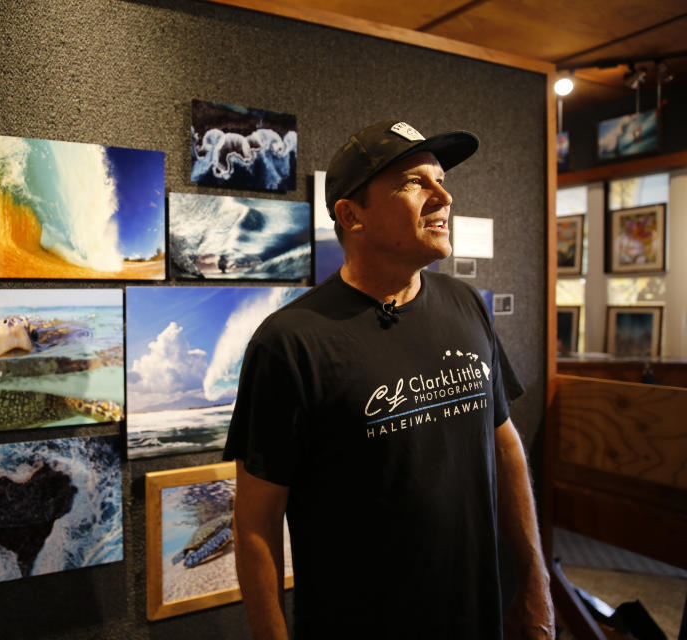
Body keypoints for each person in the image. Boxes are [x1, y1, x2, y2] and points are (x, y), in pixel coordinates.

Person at [223, 120, 554, 639]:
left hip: (477, 615)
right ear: (351, 214)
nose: (442, 195)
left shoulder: (466, 305)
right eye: (413, 182)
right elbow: (255, 525)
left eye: (440, 179)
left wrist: (535, 586)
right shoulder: (289, 342)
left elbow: (504, 445)